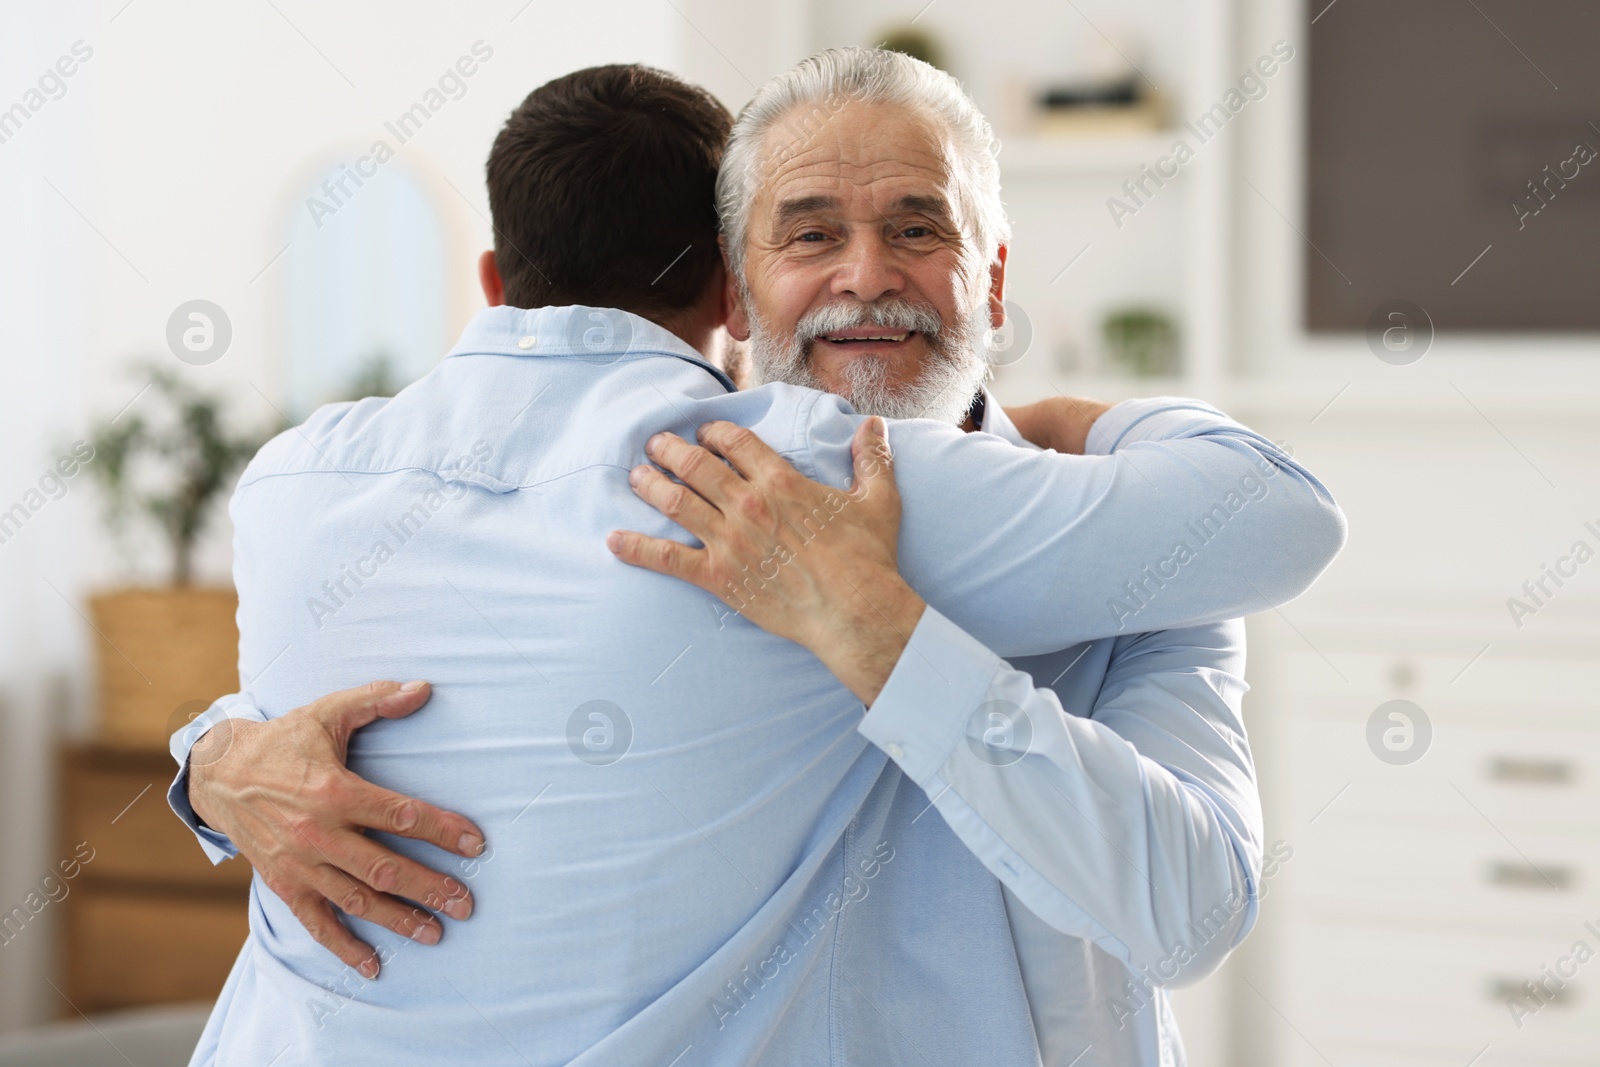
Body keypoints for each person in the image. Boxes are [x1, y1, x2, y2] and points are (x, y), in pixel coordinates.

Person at [172, 53, 1344, 1065]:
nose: (866, 274)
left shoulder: (1141, 549)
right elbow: (462, 681)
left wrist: (890, 622)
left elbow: (1188, 912)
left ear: (991, 280)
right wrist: (215, 762)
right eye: (812, 232)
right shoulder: (680, 489)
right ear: (740, 285)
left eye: (918, 227)